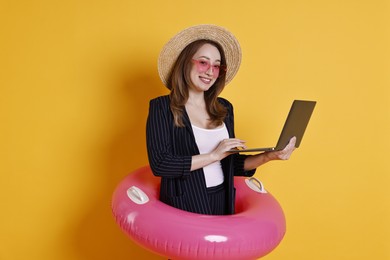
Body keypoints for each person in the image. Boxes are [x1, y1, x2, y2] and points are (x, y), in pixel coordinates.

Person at [146, 24, 296, 215]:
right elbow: (161, 164)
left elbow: (230, 164)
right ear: (185, 63)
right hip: (184, 201)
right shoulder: (161, 107)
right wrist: (213, 156)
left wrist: (268, 156)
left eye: (217, 66)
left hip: (222, 199)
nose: (210, 71)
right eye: (203, 62)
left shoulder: (225, 108)